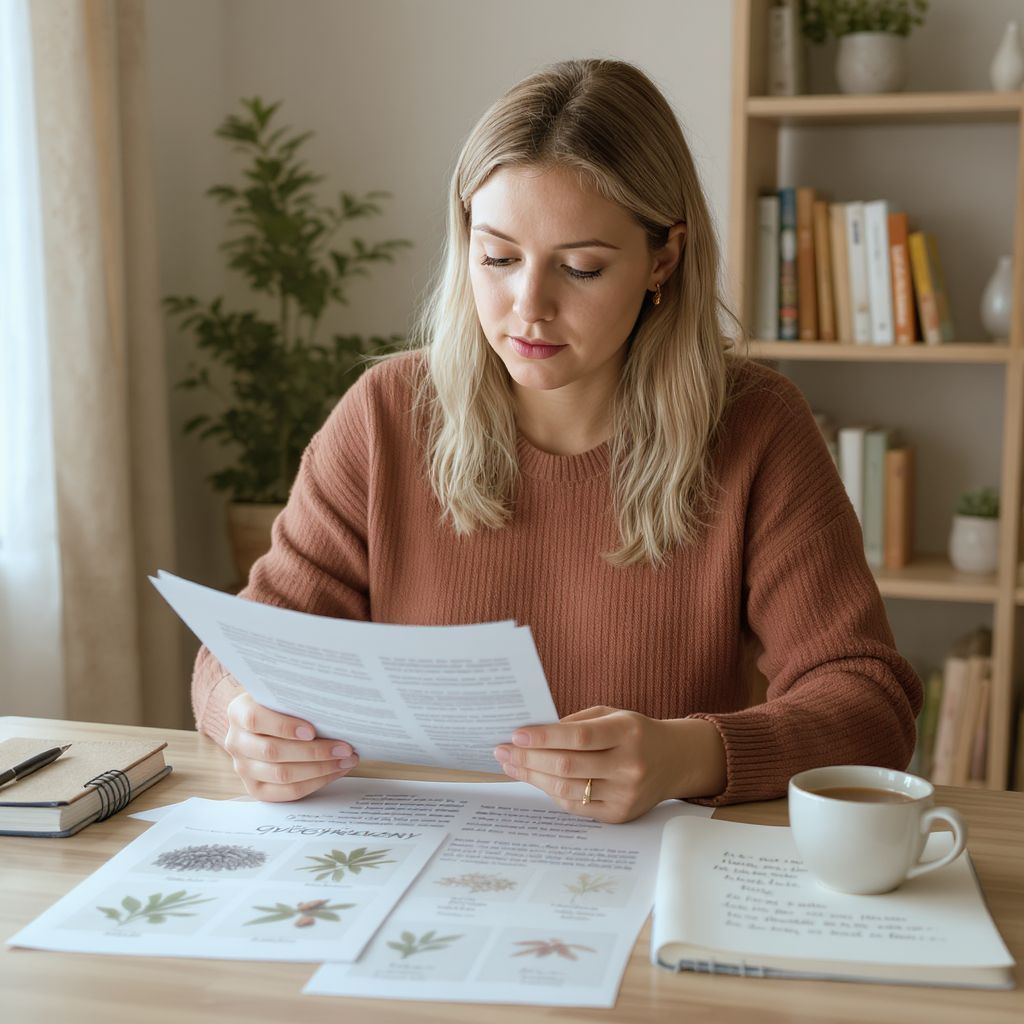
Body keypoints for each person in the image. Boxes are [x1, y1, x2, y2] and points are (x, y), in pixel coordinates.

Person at [191, 58, 922, 823]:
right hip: (415, 863)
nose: (526, 306)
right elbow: (238, 657)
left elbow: (870, 705)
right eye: (498, 258)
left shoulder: (756, 427)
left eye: (580, 268)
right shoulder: (386, 413)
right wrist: (244, 716)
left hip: (650, 882)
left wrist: (687, 754)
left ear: (662, 260)